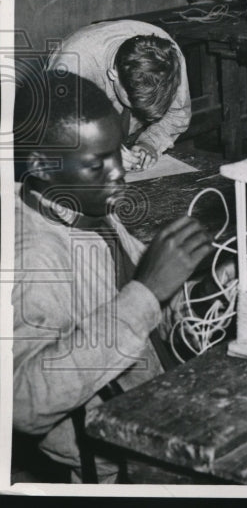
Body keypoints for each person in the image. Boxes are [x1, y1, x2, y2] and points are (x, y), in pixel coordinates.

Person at [12, 72, 213, 482]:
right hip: (123, 464)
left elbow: (130, 274)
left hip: (159, 397)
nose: (118, 170)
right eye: (96, 162)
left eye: (118, 151)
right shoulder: (30, 257)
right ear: (41, 166)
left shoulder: (77, 201)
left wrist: (201, 283)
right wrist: (147, 291)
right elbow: (21, 405)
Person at [47, 20, 191, 172]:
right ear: (113, 75)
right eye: (133, 102)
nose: (138, 112)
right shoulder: (71, 66)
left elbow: (177, 115)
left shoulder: (167, 59)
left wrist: (149, 144)